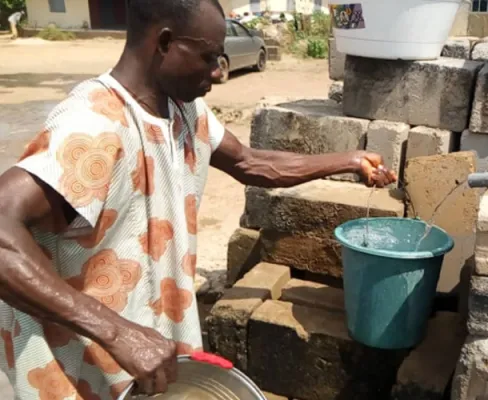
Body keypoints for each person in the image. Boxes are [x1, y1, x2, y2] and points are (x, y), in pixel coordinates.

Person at [0, 0, 397, 398]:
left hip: (149, 360)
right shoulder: (95, 127)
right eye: (208, 56)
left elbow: (252, 163)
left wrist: (350, 160)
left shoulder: (186, 111)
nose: (217, 71)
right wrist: (117, 332)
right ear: (165, 42)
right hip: (80, 368)